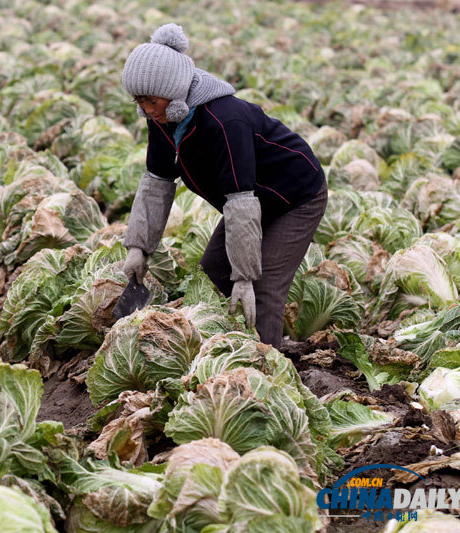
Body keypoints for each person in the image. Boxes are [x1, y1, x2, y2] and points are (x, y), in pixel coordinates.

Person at [120, 23, 327, 349]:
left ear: (172, 90)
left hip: (295, 196)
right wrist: (139, 247)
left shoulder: (224, 120)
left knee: (262, 286)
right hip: (251, 199)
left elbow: (241, 201)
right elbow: (156, 183)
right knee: (212, 276)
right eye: (139, 100)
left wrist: (243, 277)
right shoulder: (162, 118)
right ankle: (217, 352)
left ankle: (266, 366)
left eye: (150, 100)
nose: (146, 109)